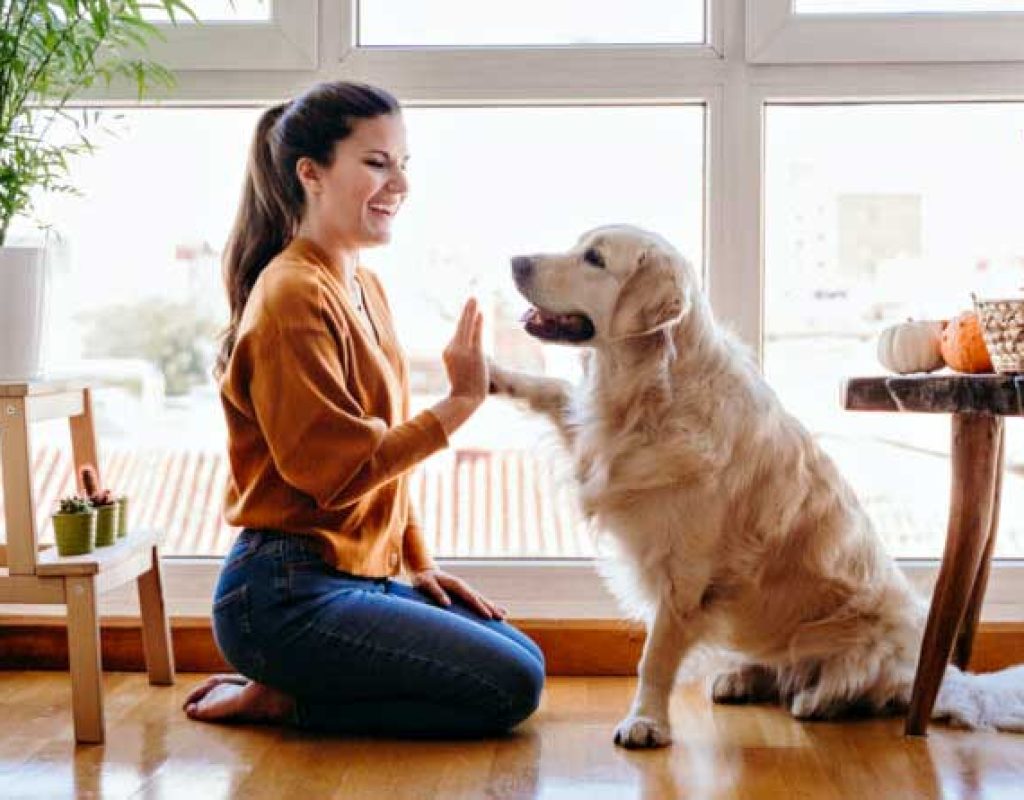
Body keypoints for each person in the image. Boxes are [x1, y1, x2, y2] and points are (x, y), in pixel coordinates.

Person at [182, 81, 545, 737]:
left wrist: (418, 560)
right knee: (510, 687)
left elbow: (383, 467)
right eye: (377, 163)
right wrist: (461, 401)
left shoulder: (362, 284)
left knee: (523, 657)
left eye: (404, 164)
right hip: (280, 593)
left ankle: (291, 685)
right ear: (311, 174)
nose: (399, 184)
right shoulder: (292, 295)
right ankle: (285, 698)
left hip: (351, 575)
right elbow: (337, 474)